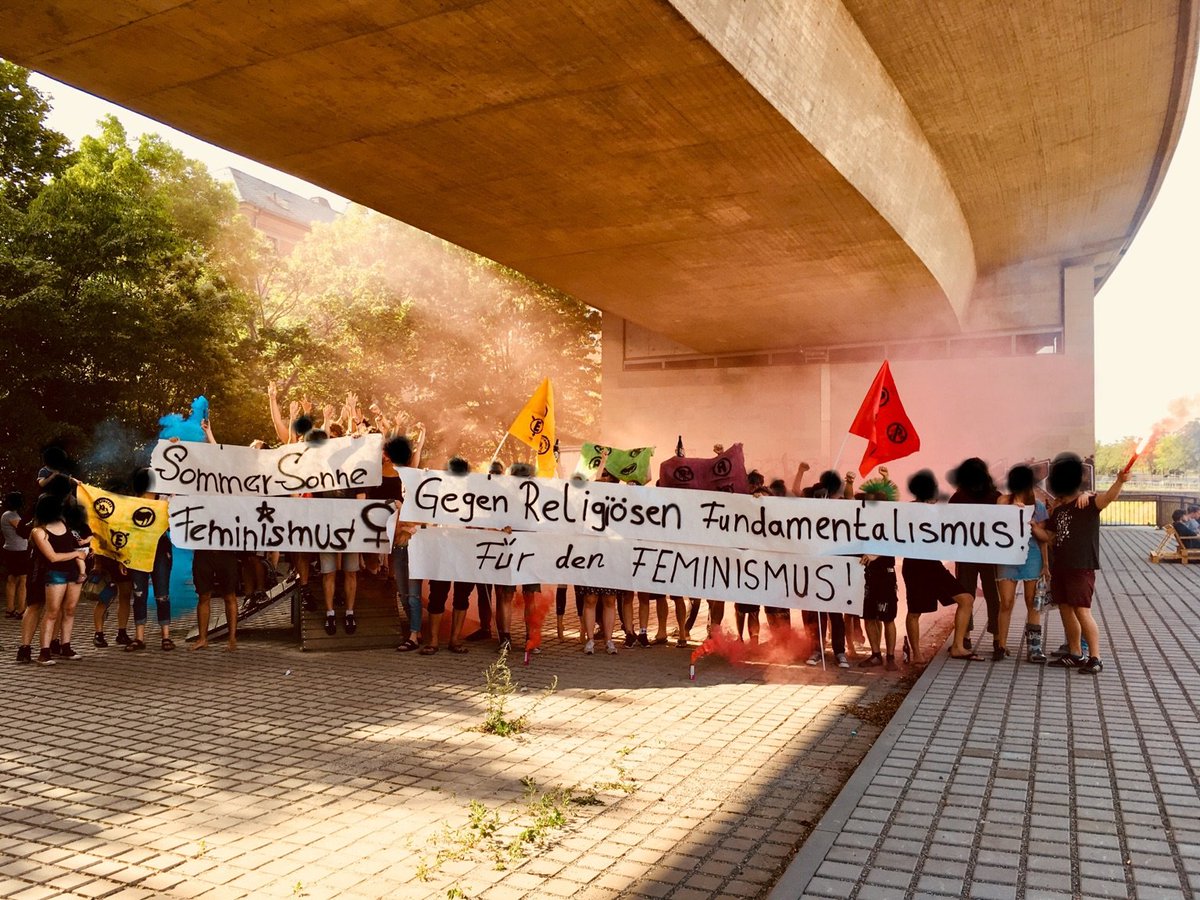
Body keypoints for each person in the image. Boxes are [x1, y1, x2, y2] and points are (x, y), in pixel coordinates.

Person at [1032, 453, 1128, 674]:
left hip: (1081, 566)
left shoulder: (1088, 503)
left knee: (1082, 611)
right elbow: (1050, 537)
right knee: (1066, 609)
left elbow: (1109, 498)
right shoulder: (1059, 510)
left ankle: (1096, 657)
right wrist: (1034, 528)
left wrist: (1120, 481)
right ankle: (1075, 653)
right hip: (1061, 566)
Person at [901, 470, 980, 663]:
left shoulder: (938, 511)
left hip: (933, 565)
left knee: (966, 599)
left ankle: (958, 646)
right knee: (914, 610)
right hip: (914, 565)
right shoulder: (908, 510)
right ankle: (916, 653)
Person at [23, 493, 90, 665]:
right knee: (52, 611)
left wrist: (81, 563)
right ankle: (44, 651)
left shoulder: (64, 524)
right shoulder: (39, 531)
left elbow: (75, 544)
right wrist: (76, 554)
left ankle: (65, 646)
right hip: (55, 573)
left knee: (69, 610)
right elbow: (52, 557)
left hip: (73, 571)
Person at [996, 465, 1049, 662]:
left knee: (1032, 601)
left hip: (1031, 556)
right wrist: (1011, 512)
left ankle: (1034, 647)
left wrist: (1045, 564)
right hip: (1007, 556)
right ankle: (1001, 645)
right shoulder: (1003, 501)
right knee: (1006, 601)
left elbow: (1044, 539)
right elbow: (994, 524)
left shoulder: (1038, 506)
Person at [949, 457, 1001, 652]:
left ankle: (965, 637)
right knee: (993, 596)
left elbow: (947, 523)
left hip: (966, 555)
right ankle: (997, 639)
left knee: (966, 595)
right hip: (991, 554)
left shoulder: (958, 497)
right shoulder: (996, 497)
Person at [126, 467, 175, 652]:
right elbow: (125, 530)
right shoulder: (131, 503)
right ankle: (139, 638)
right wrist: (124, 557)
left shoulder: (165, 500)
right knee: (139, 594)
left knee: (162, 594)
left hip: (160, 551)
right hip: (137, 551)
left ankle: (166, 636)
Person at [805, 471, 850, 668]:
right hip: (816, 569)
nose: (821, 498)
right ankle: (817, 650)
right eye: (818, 496)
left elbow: (851, 504)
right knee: (817, 613)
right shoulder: (808, 514)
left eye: (824, 495)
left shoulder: (840, 511)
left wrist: (849, 484)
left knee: (836, 614)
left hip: (836, 569)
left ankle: (840, 651)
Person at [2, 492, 29, 620]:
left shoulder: (7, 514)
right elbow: (23, 531)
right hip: (19, 551)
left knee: (12, 579)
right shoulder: (11, 515)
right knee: (22, 579)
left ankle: (10, 608)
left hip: (11, 549)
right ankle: (21, 609)